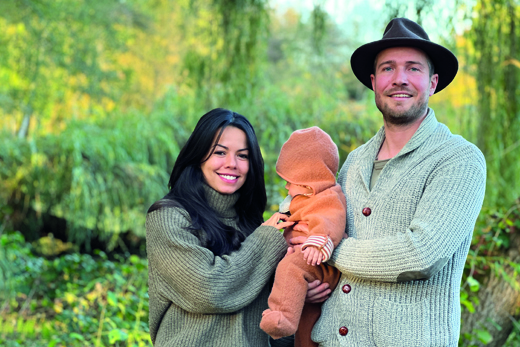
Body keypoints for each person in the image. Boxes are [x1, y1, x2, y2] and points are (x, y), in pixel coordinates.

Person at [307, 18, 487, 346]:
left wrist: (325, 250)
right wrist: (312, 278)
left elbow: (421, 255)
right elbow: (324, 223)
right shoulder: (354, 162)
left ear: (433, 82)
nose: (399, 79)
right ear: (374, 82)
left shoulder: (459, 159)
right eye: (388, 68)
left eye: (413, 68)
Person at [145, 108, 295, 347]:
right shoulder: (168, 216)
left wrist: (302, 297)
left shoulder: (253, 226)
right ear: (198, 155)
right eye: (220, 152)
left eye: (243, 156)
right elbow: (209, 290)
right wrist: (268, 238)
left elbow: (270, 322)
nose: (232, 164)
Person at [259, 127, 346, 347]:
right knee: (308, 322)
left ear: (309, 179)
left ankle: (282, 317)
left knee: (290, 268)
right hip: (306, 259)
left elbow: (330, 222)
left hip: (316, 259)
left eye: (291, 180)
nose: (287, 185)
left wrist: (317, 243)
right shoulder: (300, 199)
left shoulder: (327, 198)